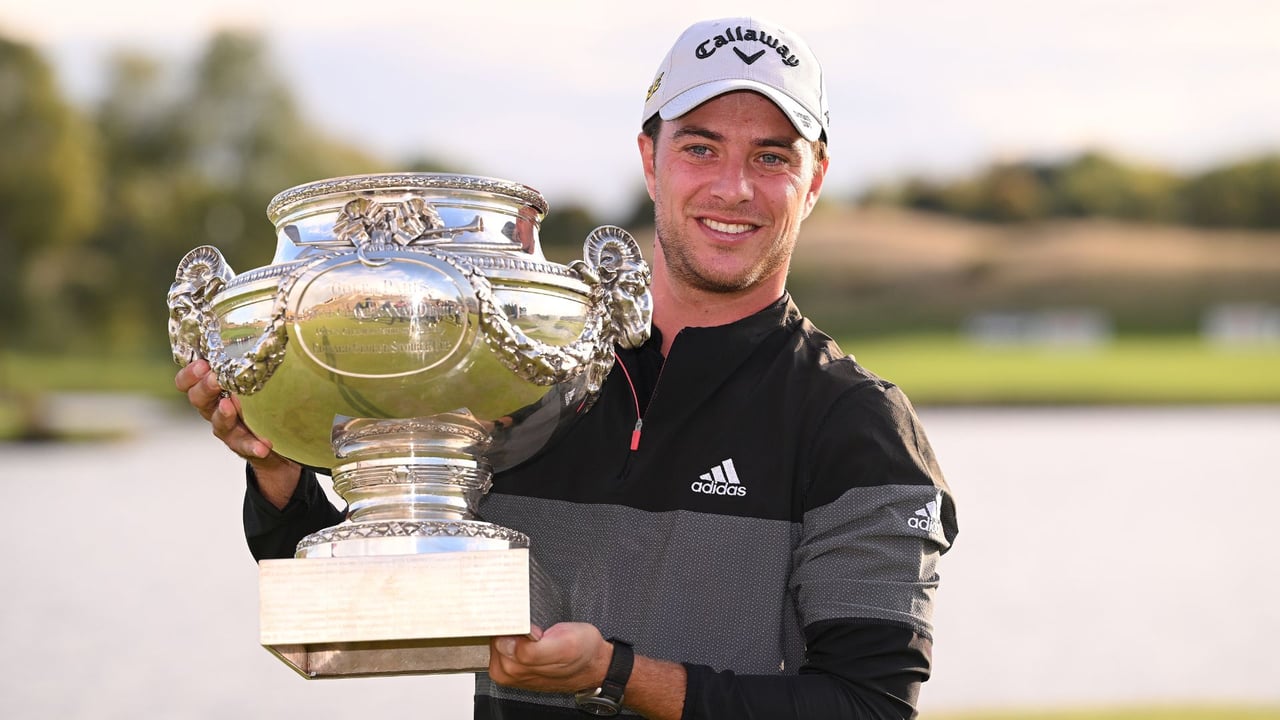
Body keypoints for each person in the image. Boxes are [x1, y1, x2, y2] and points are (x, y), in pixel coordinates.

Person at [176, 15, 957, 720]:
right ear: (650, 160)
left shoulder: (857, 424)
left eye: (772, 156)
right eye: (700, 147)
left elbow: (870, 705)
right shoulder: (527, 369)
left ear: (813, 180)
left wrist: (619, 676)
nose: (733, 187)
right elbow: (371, 593)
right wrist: (278, 465)